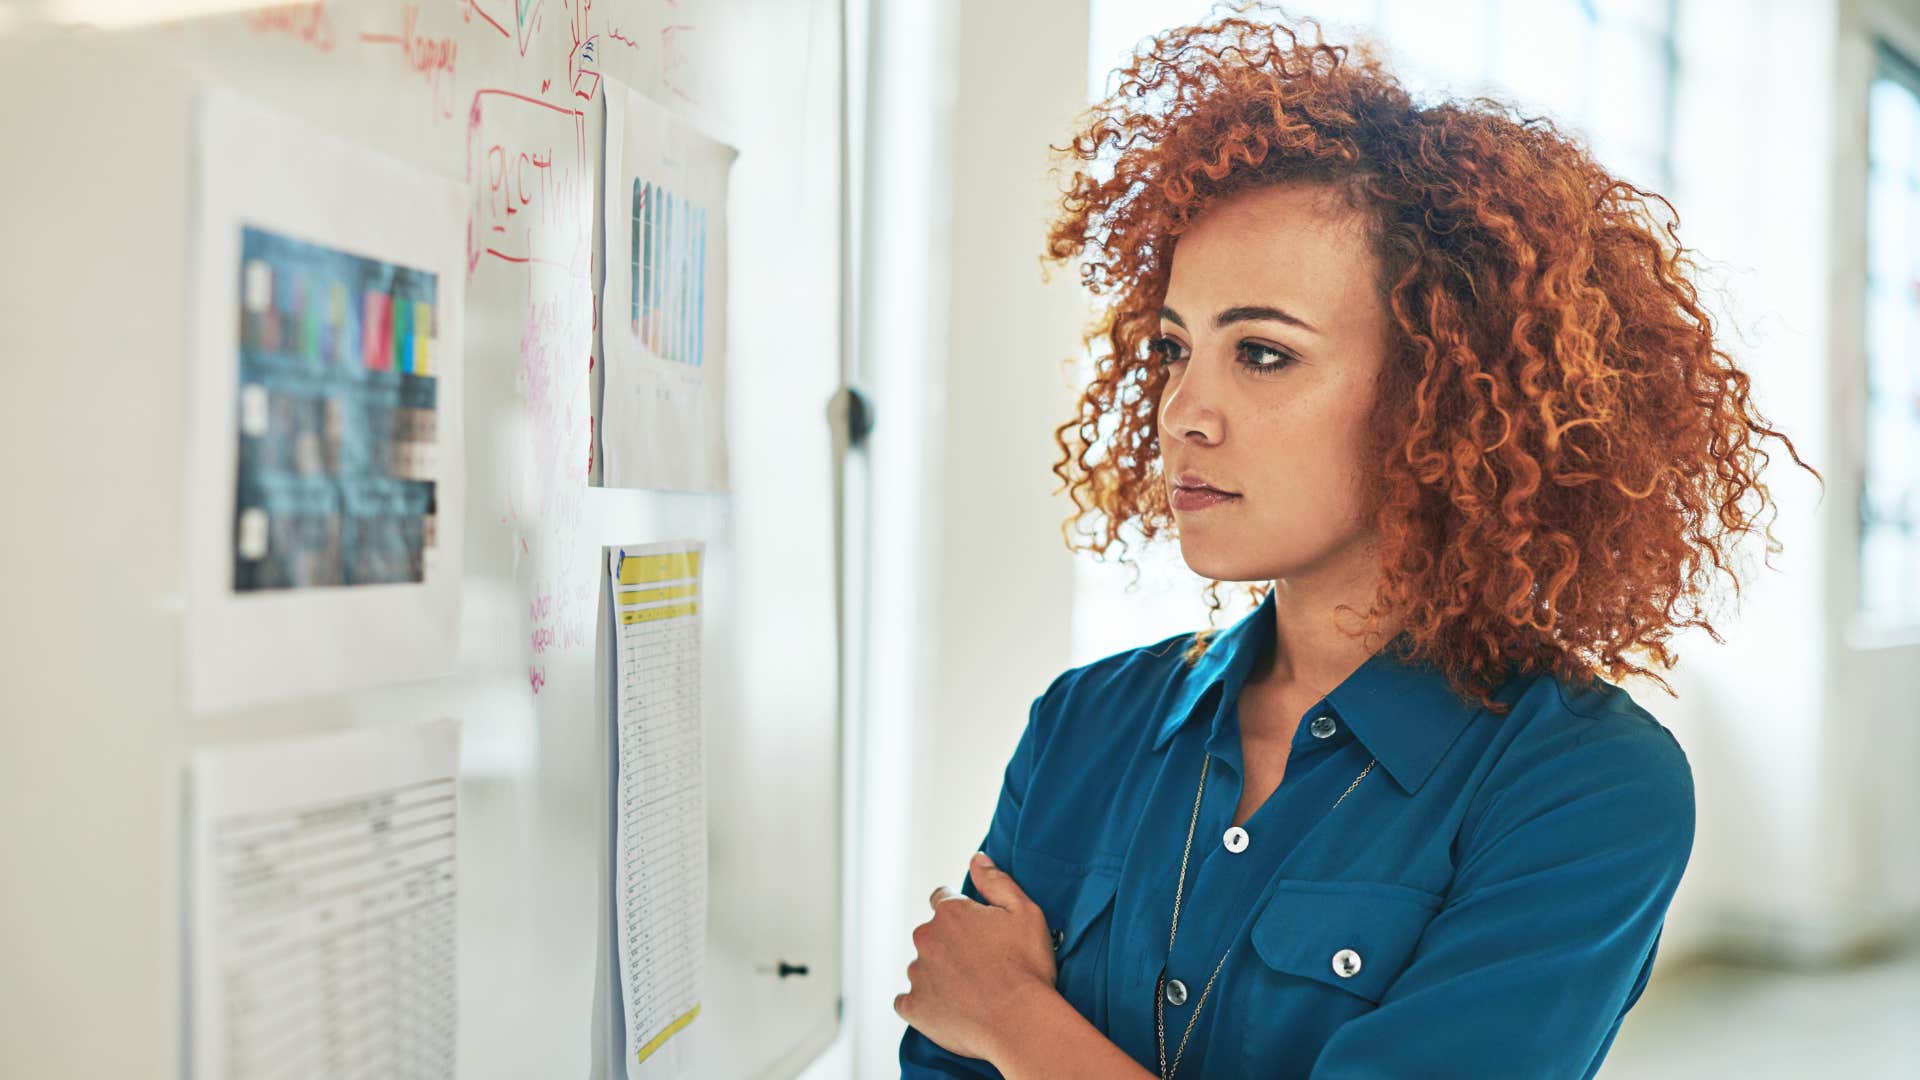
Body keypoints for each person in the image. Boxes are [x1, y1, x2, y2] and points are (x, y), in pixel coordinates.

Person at [892, 4, 1817, 1078]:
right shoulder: (1085, 724)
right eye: (1174, 347)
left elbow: (975, 1026)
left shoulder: (1587, 785)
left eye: (1265, 354)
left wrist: (1013, 1015)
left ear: (1441, 395)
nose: (1182, 411)